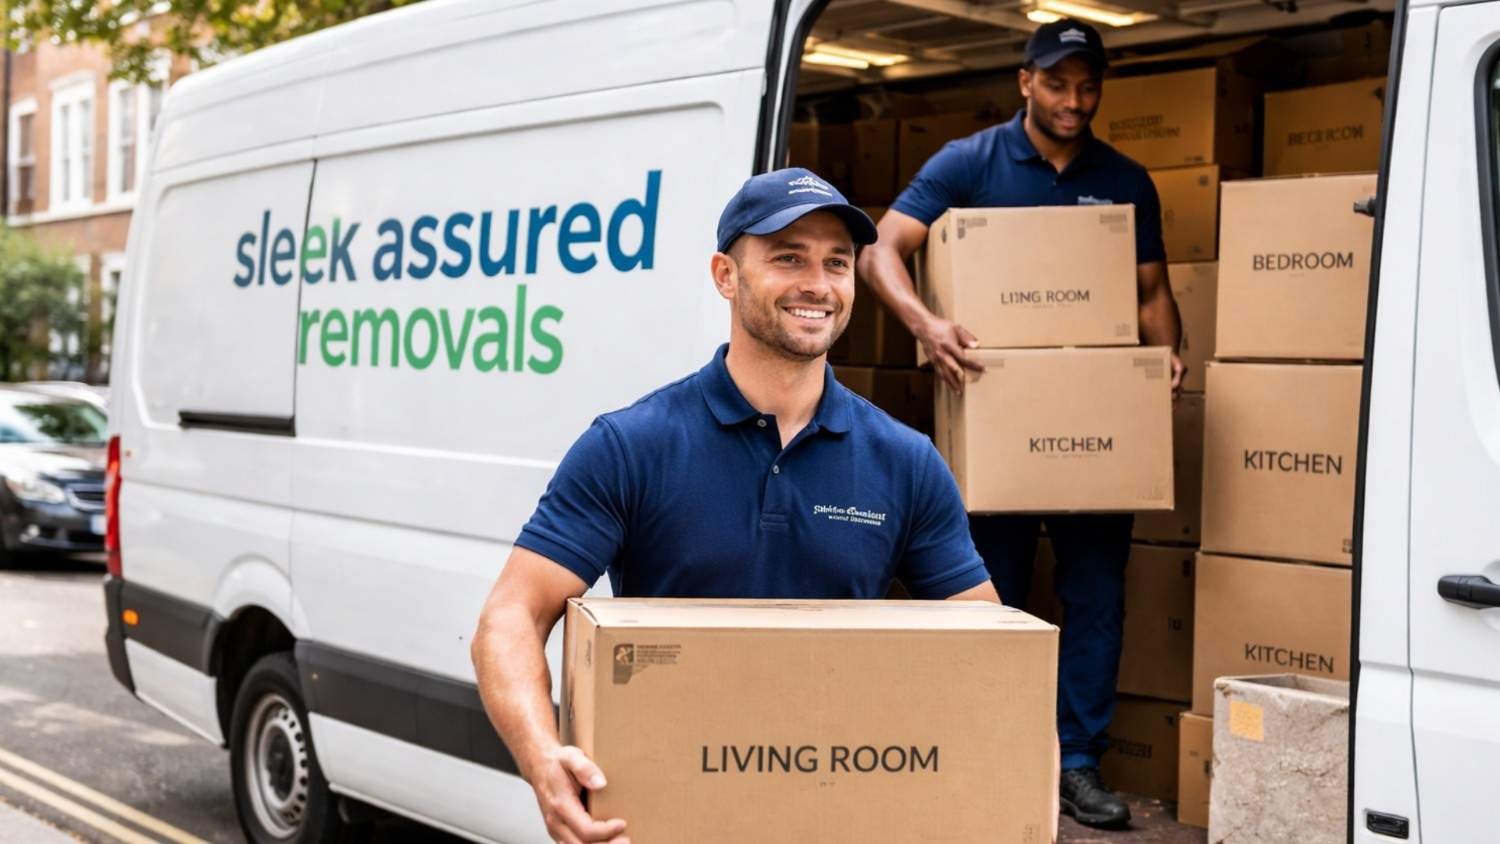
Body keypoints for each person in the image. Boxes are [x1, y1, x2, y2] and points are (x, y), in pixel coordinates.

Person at [471, 167, 1000, 844]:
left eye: (836, 263)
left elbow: (990, 649)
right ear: (726, 275)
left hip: (840, 812)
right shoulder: (632, 445)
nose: (818, 284)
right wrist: (543, 761)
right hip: (663, 816)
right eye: (788, 258)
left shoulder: (904, 461)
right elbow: (511, 614)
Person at [855, 19, 1185, 831]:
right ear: (1026, 82)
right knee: (986, 595)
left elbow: (1150, 293)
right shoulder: (970, 163)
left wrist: (1165, 357)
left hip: (1093, 427)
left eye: (1087, 85)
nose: (1074, 101)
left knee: (1096, 598)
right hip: (994, 418)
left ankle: (1076, 764)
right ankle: (984, 748)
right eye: (1059, 83)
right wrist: (928, 326)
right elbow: (879, 252)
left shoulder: (1126, 179)